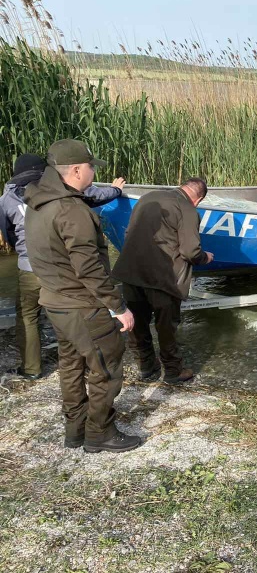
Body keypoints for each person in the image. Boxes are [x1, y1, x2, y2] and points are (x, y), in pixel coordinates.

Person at [24, 139, 141, 453]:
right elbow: (88, 267)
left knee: (72, 365)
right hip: (81, 305)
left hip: (53, 301)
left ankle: (75, 429)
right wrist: (118, 307)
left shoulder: (39, 201)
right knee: (107, 366)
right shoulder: (71, 210)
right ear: (76, 170)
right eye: (91, 167)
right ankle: (99, 432)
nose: (94, 171)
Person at [0, 153, 126, 380]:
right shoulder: (62, 191)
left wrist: (22, 250)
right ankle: (83, 359)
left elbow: (8, 231)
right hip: (61, 268)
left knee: (28, 316)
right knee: (71, 312)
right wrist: (116, 190)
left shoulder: (7, 198)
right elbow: (96, 195)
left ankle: (31, 368)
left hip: (28, 267)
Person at [112, 178, 213, 385]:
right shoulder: (188, 209)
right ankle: (173, 371)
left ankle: (146, 366)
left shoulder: (148, 198)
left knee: (137, 323)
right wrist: (205, 257)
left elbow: (128, 232)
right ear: (198, 199)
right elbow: (190, 251)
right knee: (166, 326)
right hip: (163, 278)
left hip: (131, 272)